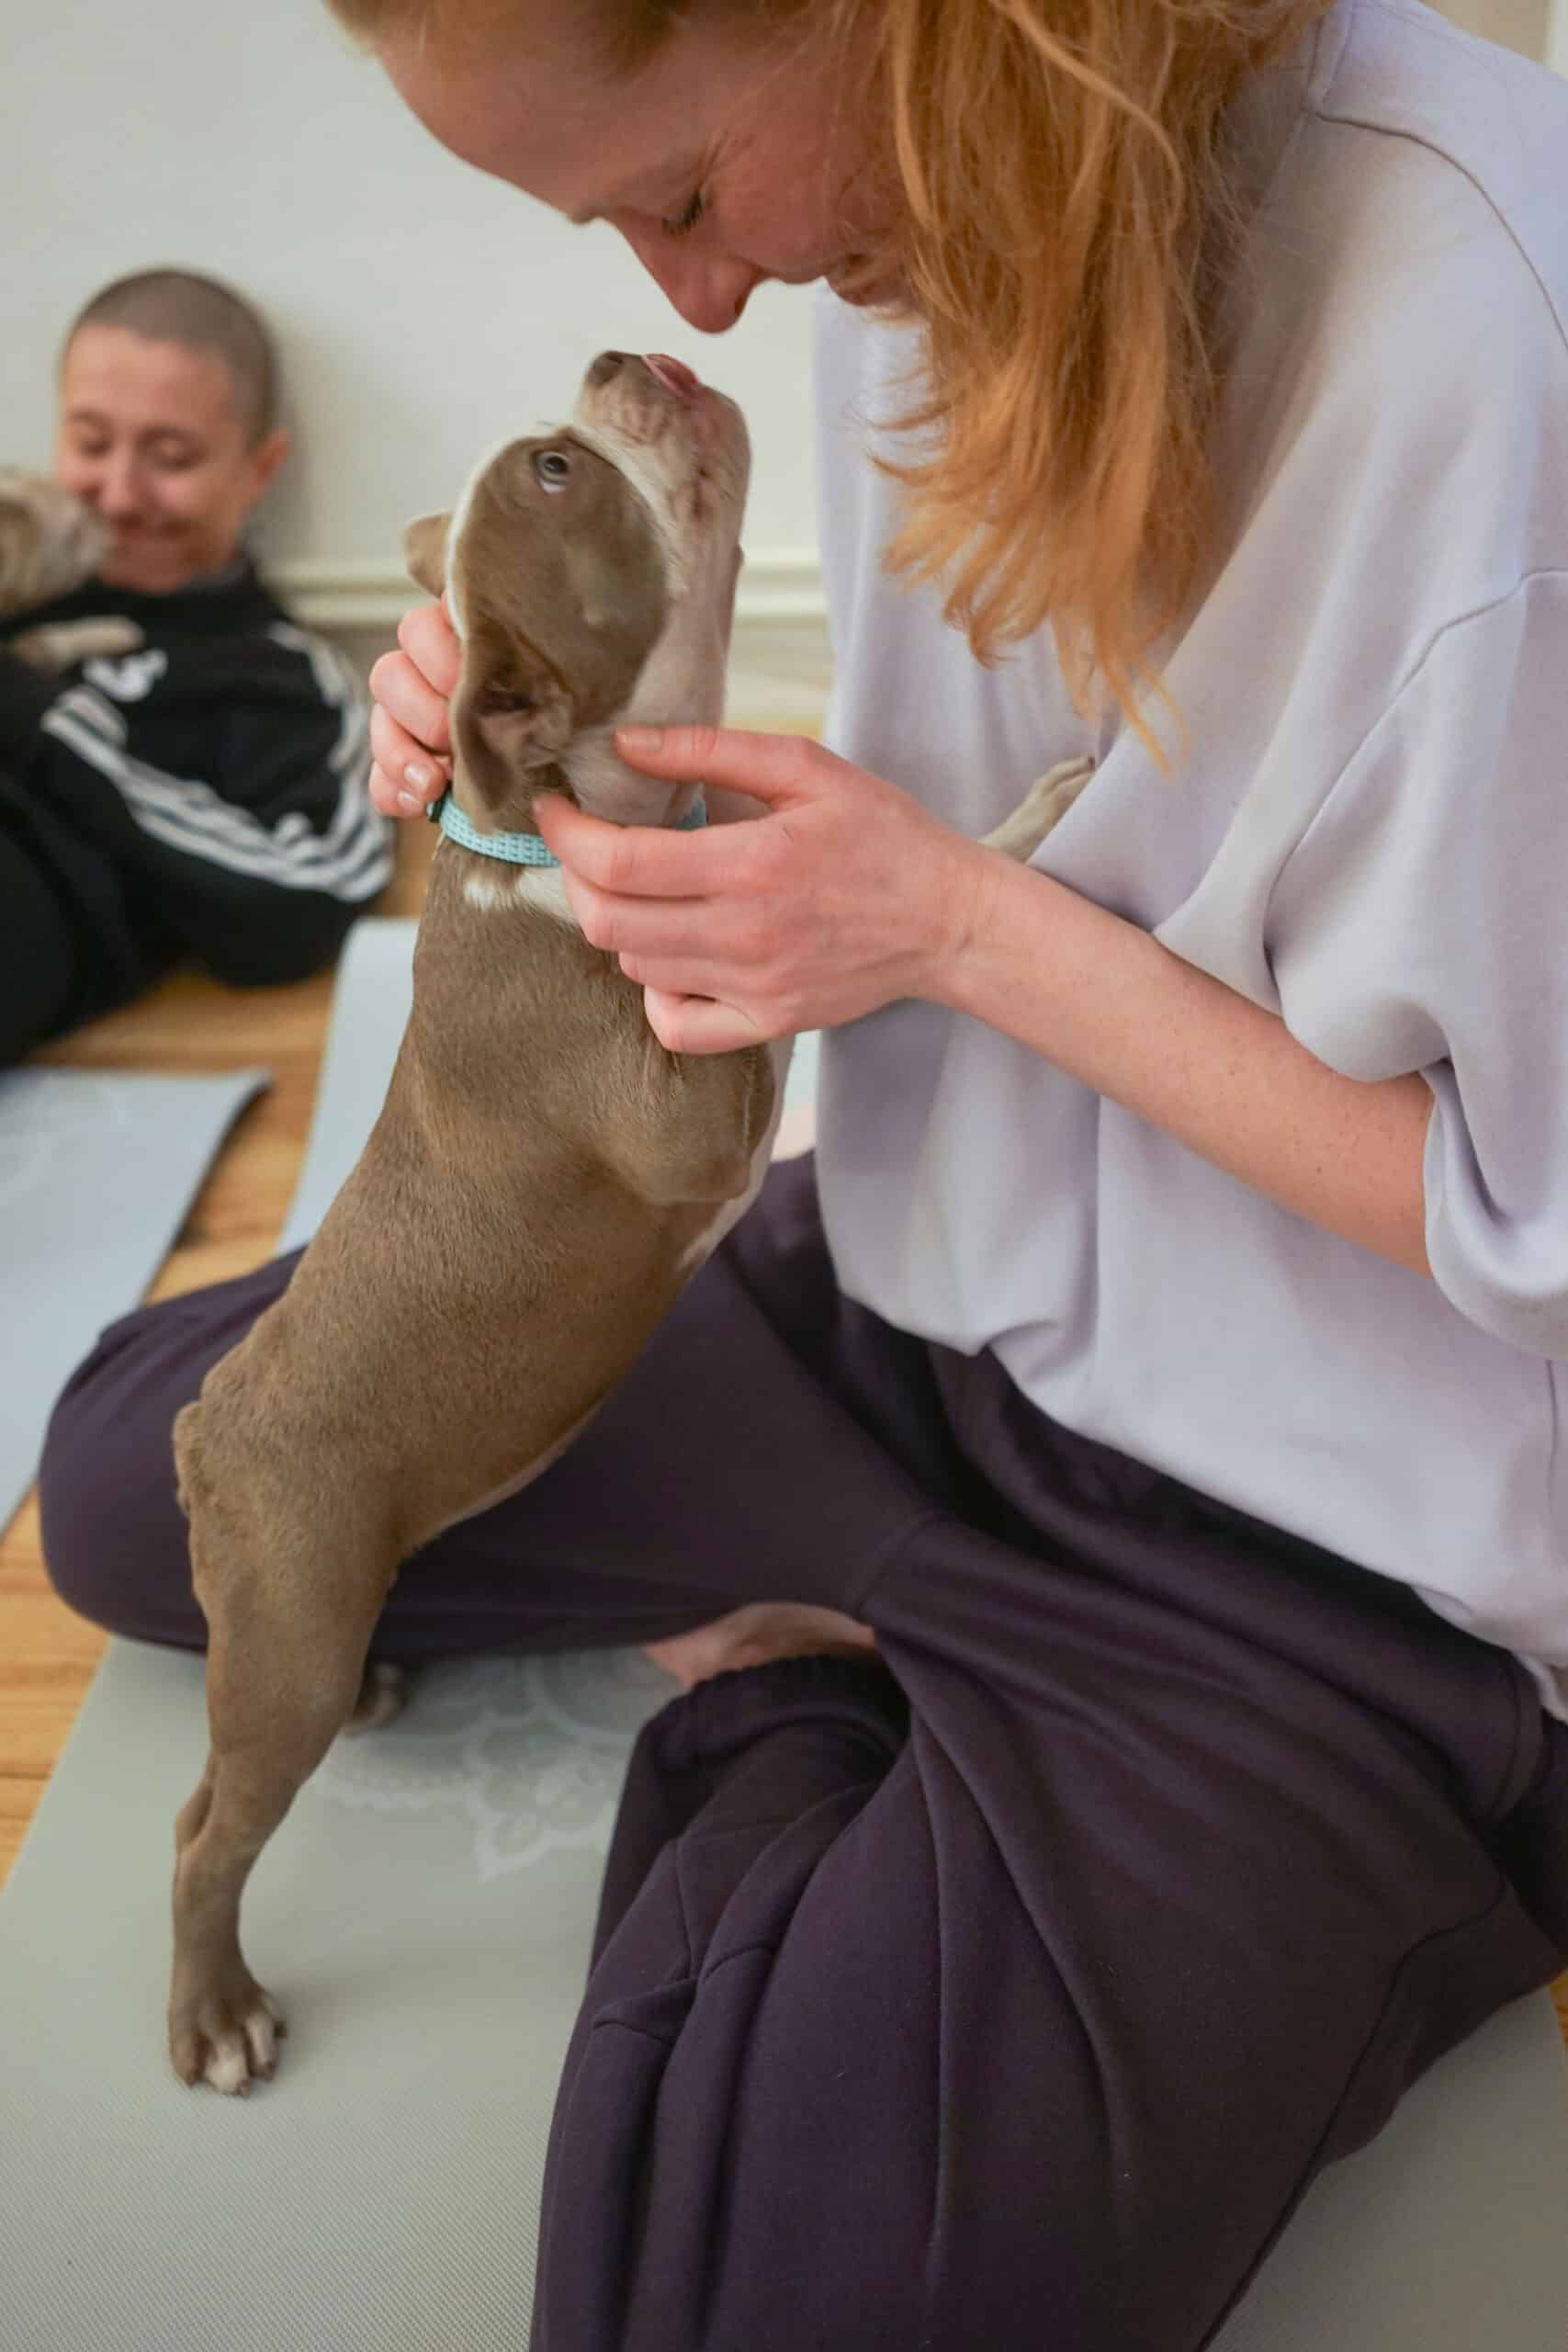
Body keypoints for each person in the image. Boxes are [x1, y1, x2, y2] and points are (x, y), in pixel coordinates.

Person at [38, 4, 1568, 2346]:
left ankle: (820, 1694)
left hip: (1320, 1537)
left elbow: (1527, 1229)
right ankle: (871, 1624)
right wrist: (491, 760)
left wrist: (956, 925)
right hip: (905, 1302)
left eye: (670, 191)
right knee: (136, 1495)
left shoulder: (1480, 336)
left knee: (764, 2298)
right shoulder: (907, 230)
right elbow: (978, 787)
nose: (689, 295)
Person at [0, 268, 391, 1064]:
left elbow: (311, 895)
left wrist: (44, 725)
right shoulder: (23, 569)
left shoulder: (285, 681)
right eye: (89, 443)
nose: (116, 494)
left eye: (169, 456)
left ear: (259, 468)